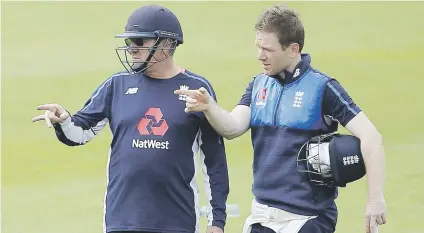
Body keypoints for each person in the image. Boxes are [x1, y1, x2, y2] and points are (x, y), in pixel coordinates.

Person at [174, 4, 387, 233]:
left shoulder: (322, 88)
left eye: (267, 49)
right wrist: (210, 107)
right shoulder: (258, 85)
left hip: (308, 219)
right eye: (258, 47)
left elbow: (371, 138)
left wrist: (375, 199)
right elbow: (232, 127)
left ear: (293, 49)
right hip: (262, 216)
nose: (260, 55)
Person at [32, 4, 229, 233]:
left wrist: (217, 222)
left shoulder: (197, 89)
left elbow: (214, 161)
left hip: (178, 222)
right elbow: (79, 134)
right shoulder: (117, 85)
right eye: (129, 42)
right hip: (121, 221)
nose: (132, 49)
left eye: (139, 42)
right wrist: (63, 121)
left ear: (166, 44)